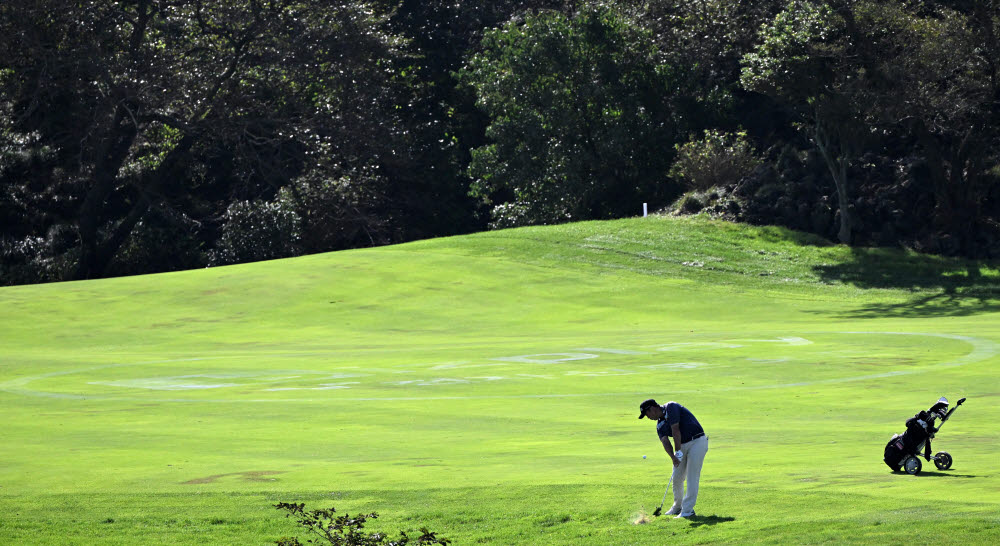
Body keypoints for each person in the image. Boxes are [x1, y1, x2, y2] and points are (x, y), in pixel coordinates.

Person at [639, 398, 708, 518]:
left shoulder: (671, 407)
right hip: (682, 445)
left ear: (652, 408)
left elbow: (676, 431)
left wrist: (677, 451)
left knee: (692, 476)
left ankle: (687, 511)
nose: (648, 417)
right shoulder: (659, 425)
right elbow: (665, 442)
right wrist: (673, 457)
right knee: (676, 478)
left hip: (697, 441)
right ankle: (677, 507)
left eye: (647, 414)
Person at [883, 398, 950, 472]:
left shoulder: (918, 420)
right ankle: (938, 408)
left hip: (911, 439)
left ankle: (938, 408)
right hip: (910, 443)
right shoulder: (919, 422)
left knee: (926, 417)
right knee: (926, 419)